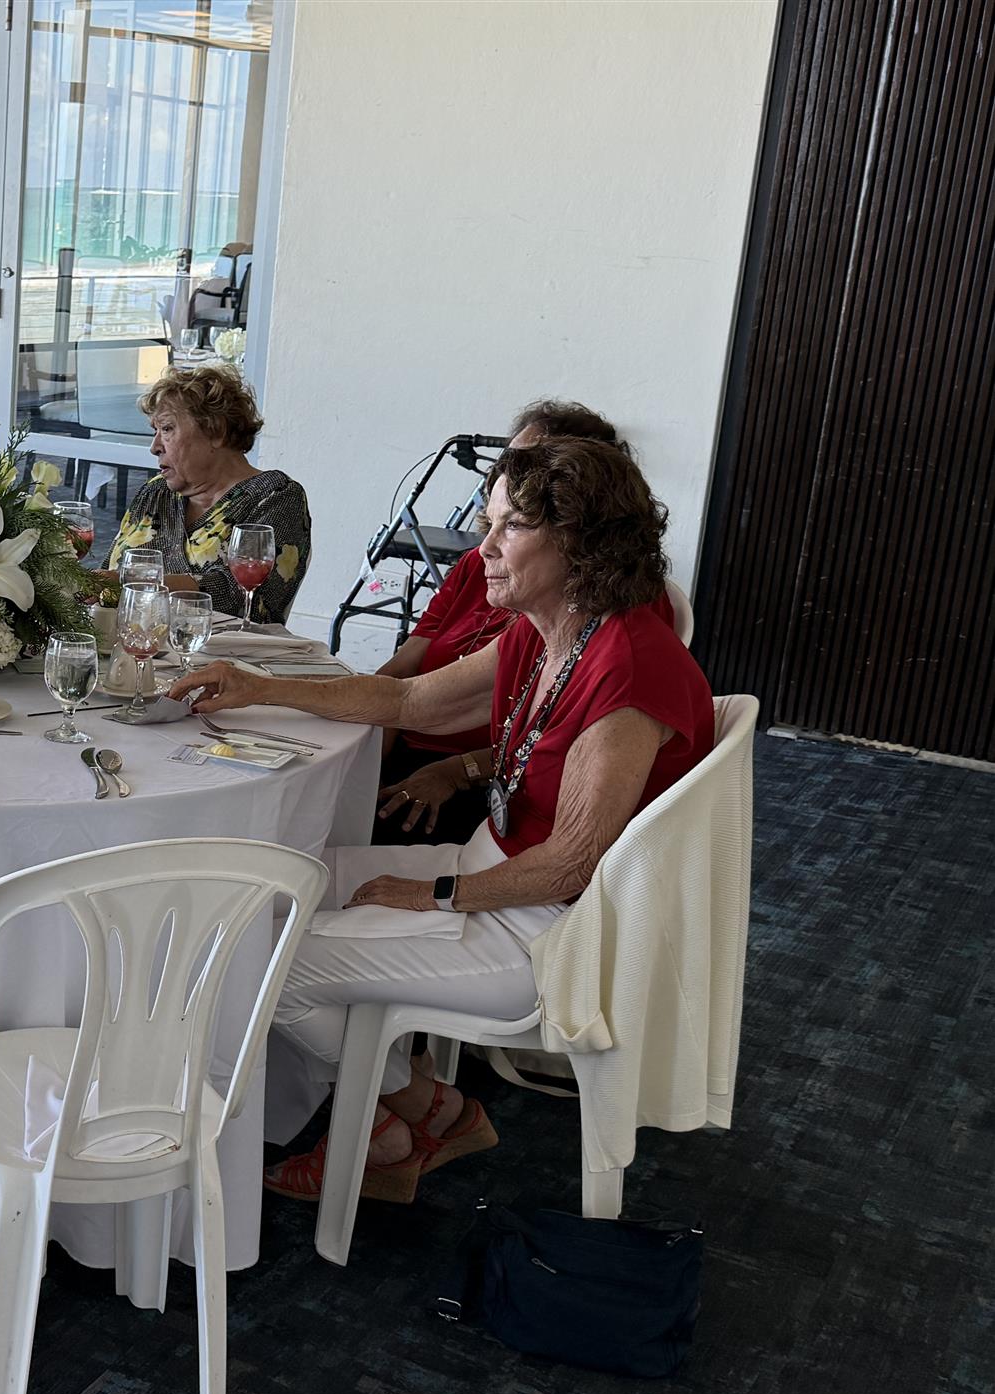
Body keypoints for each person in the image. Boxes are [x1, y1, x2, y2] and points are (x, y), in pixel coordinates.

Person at [169, 436, 713, 1203]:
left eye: (510, 528)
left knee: (256, 964)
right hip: (499, 871)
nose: (482, 547)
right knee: (274, 887)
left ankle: (406, 1115)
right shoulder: (552, 630)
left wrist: (434, 895)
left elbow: (572, 861)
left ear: (581, 543)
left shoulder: (625, 667)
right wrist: (259, 685)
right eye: (489, 523)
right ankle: (418, 1110)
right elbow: (405, 700)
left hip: (551, 930)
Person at [372, 400, 644, 845]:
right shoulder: (478, 568)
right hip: (409, 745)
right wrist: (368, 755)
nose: (506, 474)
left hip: (491, 780)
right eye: (509, 460)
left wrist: (453, 771)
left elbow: (552, 750)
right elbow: (401, 684)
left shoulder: (597, 624)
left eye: (531, 464)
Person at [101, 364, 309, 623]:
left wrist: (133, 583)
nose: (154, 447)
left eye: (167, 429)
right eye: (155, 431)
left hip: (220, 648)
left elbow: (243, 600)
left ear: (216, 431)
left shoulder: (275, 496)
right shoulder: (156, 492)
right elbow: (105, 576)